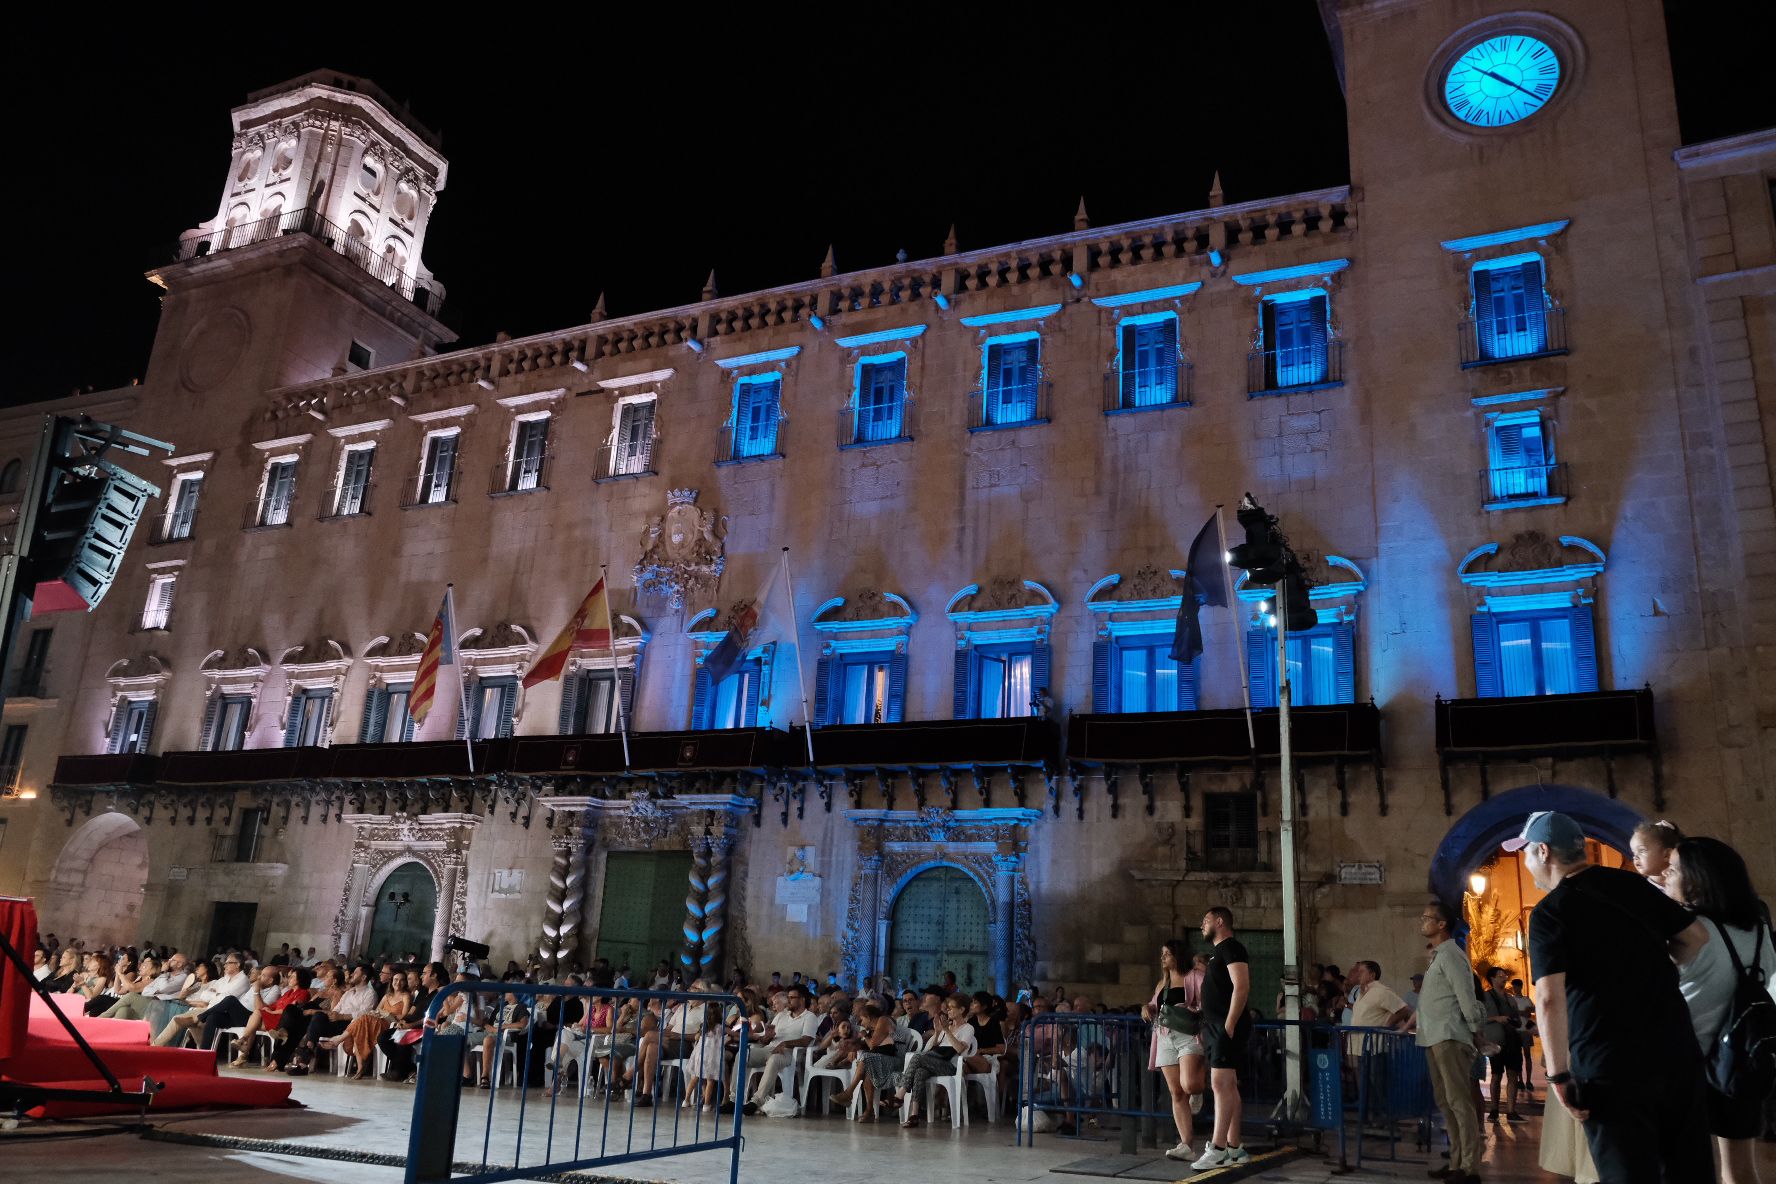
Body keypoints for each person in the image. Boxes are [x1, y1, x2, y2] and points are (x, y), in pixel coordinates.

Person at [1510, 810, 1713, 1184]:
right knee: (1688, 1171)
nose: (1526, 862)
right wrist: (1653, 970)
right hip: (1676, 1051)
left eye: (1525, 853)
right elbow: (1696, 937)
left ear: (1543, 851)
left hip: (1610, 1064)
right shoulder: (1634, 885)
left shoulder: (1551, 912)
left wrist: (1558, 1075)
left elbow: (1549, 998)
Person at [1668, 835, 1775, 1184]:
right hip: (1741, 1061)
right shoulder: (1760, 929)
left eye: (1673, 869)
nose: (1665, 876)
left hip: (1687, 1066)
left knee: (1682, 1167)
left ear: (1697, 879)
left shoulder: (1688, 933)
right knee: (1741, 1168)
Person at [1417, 897, 1487, 1184]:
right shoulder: (1439, 956)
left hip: (1449, 1036)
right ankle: (1457, 1160)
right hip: (1434, 1036)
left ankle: (1470, 1167)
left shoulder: (1452, 955)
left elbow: (1465, 996)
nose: (1422, 921)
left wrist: (1476, 1029)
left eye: (1427, 917)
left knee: (1459, 1101)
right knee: (1446, 1101)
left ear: (1441, 924)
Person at [1192, 906, 1253, 1169]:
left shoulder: (1231, 948)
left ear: (1219, 921)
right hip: (1217, 1026)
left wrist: (1228, 1025)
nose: (1202, 926)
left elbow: (1242, 986)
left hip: (1226, 1026)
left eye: (1205, 921)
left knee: (1220, 1084)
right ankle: (1235, 1147)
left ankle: (1218, 1149)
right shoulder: (1218, 953)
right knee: (1228, 1085)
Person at [1143, 939, 1206, 1162]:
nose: (1163, 957)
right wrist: (1147, 1007)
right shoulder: (1163, 983)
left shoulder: (1194, 976)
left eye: (1167, 954)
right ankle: (1186, 1144)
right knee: (1176, 1092)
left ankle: (1201, 1087)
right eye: (1162, 953)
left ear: (1178, 956)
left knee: (1189, 1084)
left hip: (1188, 1035)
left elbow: (1208, 1002)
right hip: (1164, 1037)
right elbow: (1155, 1004)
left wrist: (1196, 1010)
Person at [897, 993, 974, 1127]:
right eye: (948, 1007)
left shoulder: (968, 1028)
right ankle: (914, 1115)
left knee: (917, 1057)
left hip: (951, 1067)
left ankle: (899, 1096)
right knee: (919, 1072)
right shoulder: (946, 1027)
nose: (948, 1010)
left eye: (951, 1007)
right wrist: (938, 1032)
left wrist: (947, 1031)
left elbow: (960, 1049)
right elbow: (930, 1048)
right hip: (936, 1062)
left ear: (962, 1010)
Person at [741, 984, 817, 1115]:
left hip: (789, 1052)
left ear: (802, 1000)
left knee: (774, 1059)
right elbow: (765, 1040)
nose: (788, 1000)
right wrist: (767, 1037)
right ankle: (733, 1099)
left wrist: (785, 1043)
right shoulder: (781, 1015)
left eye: (792, 997)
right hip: (770, 1048)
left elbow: (806, 1040)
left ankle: (756, 1101)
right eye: (788, 997)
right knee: (743, 1054)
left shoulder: (810, 1017)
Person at [1480, 966, 1525, 1123]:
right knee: (1496, 1075)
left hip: (1512, 1041)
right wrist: (1496, 1019)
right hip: (1496, 1042)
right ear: (1492, 979)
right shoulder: (1485, 997)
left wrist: (1518, 1022)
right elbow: (1478, 1018)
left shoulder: (1510, 998)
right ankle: (1494, 1110)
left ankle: (1511, 1111)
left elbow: (1517, 1020)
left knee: (1513, 1075)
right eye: (1500, 975)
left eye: (1505, 975)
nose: (1504, 978)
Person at [1630, 819, 1684, 897]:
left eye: (1642, 850)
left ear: (1667, 855)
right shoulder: (1643, 891)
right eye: (1634, 853)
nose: (1635, 857)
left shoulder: (1685, 875)